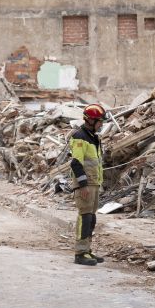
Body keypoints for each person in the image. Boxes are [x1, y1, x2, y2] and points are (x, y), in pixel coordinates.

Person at [69, 104, 107, 266]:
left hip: (94, 183)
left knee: (91, 219)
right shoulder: (80, 137)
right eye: (99, 121)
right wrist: (83, 185)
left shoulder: (93, 137)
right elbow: (76, 163)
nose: (101, 124)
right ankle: (80, 253)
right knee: (85, 217)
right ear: (90, 120)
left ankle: (87, 249)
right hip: (86, 184)